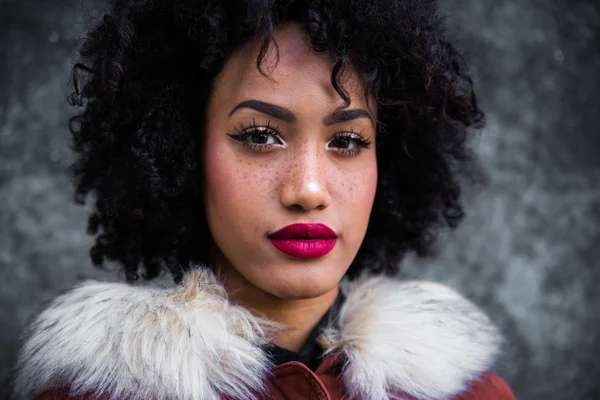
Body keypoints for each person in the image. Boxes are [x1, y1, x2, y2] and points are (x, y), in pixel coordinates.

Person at [11, 0, 517, 399]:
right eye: (259, 135)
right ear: (182, 153)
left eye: (347, 141)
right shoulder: (93, 397)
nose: (308, 190)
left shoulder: (474, 396)